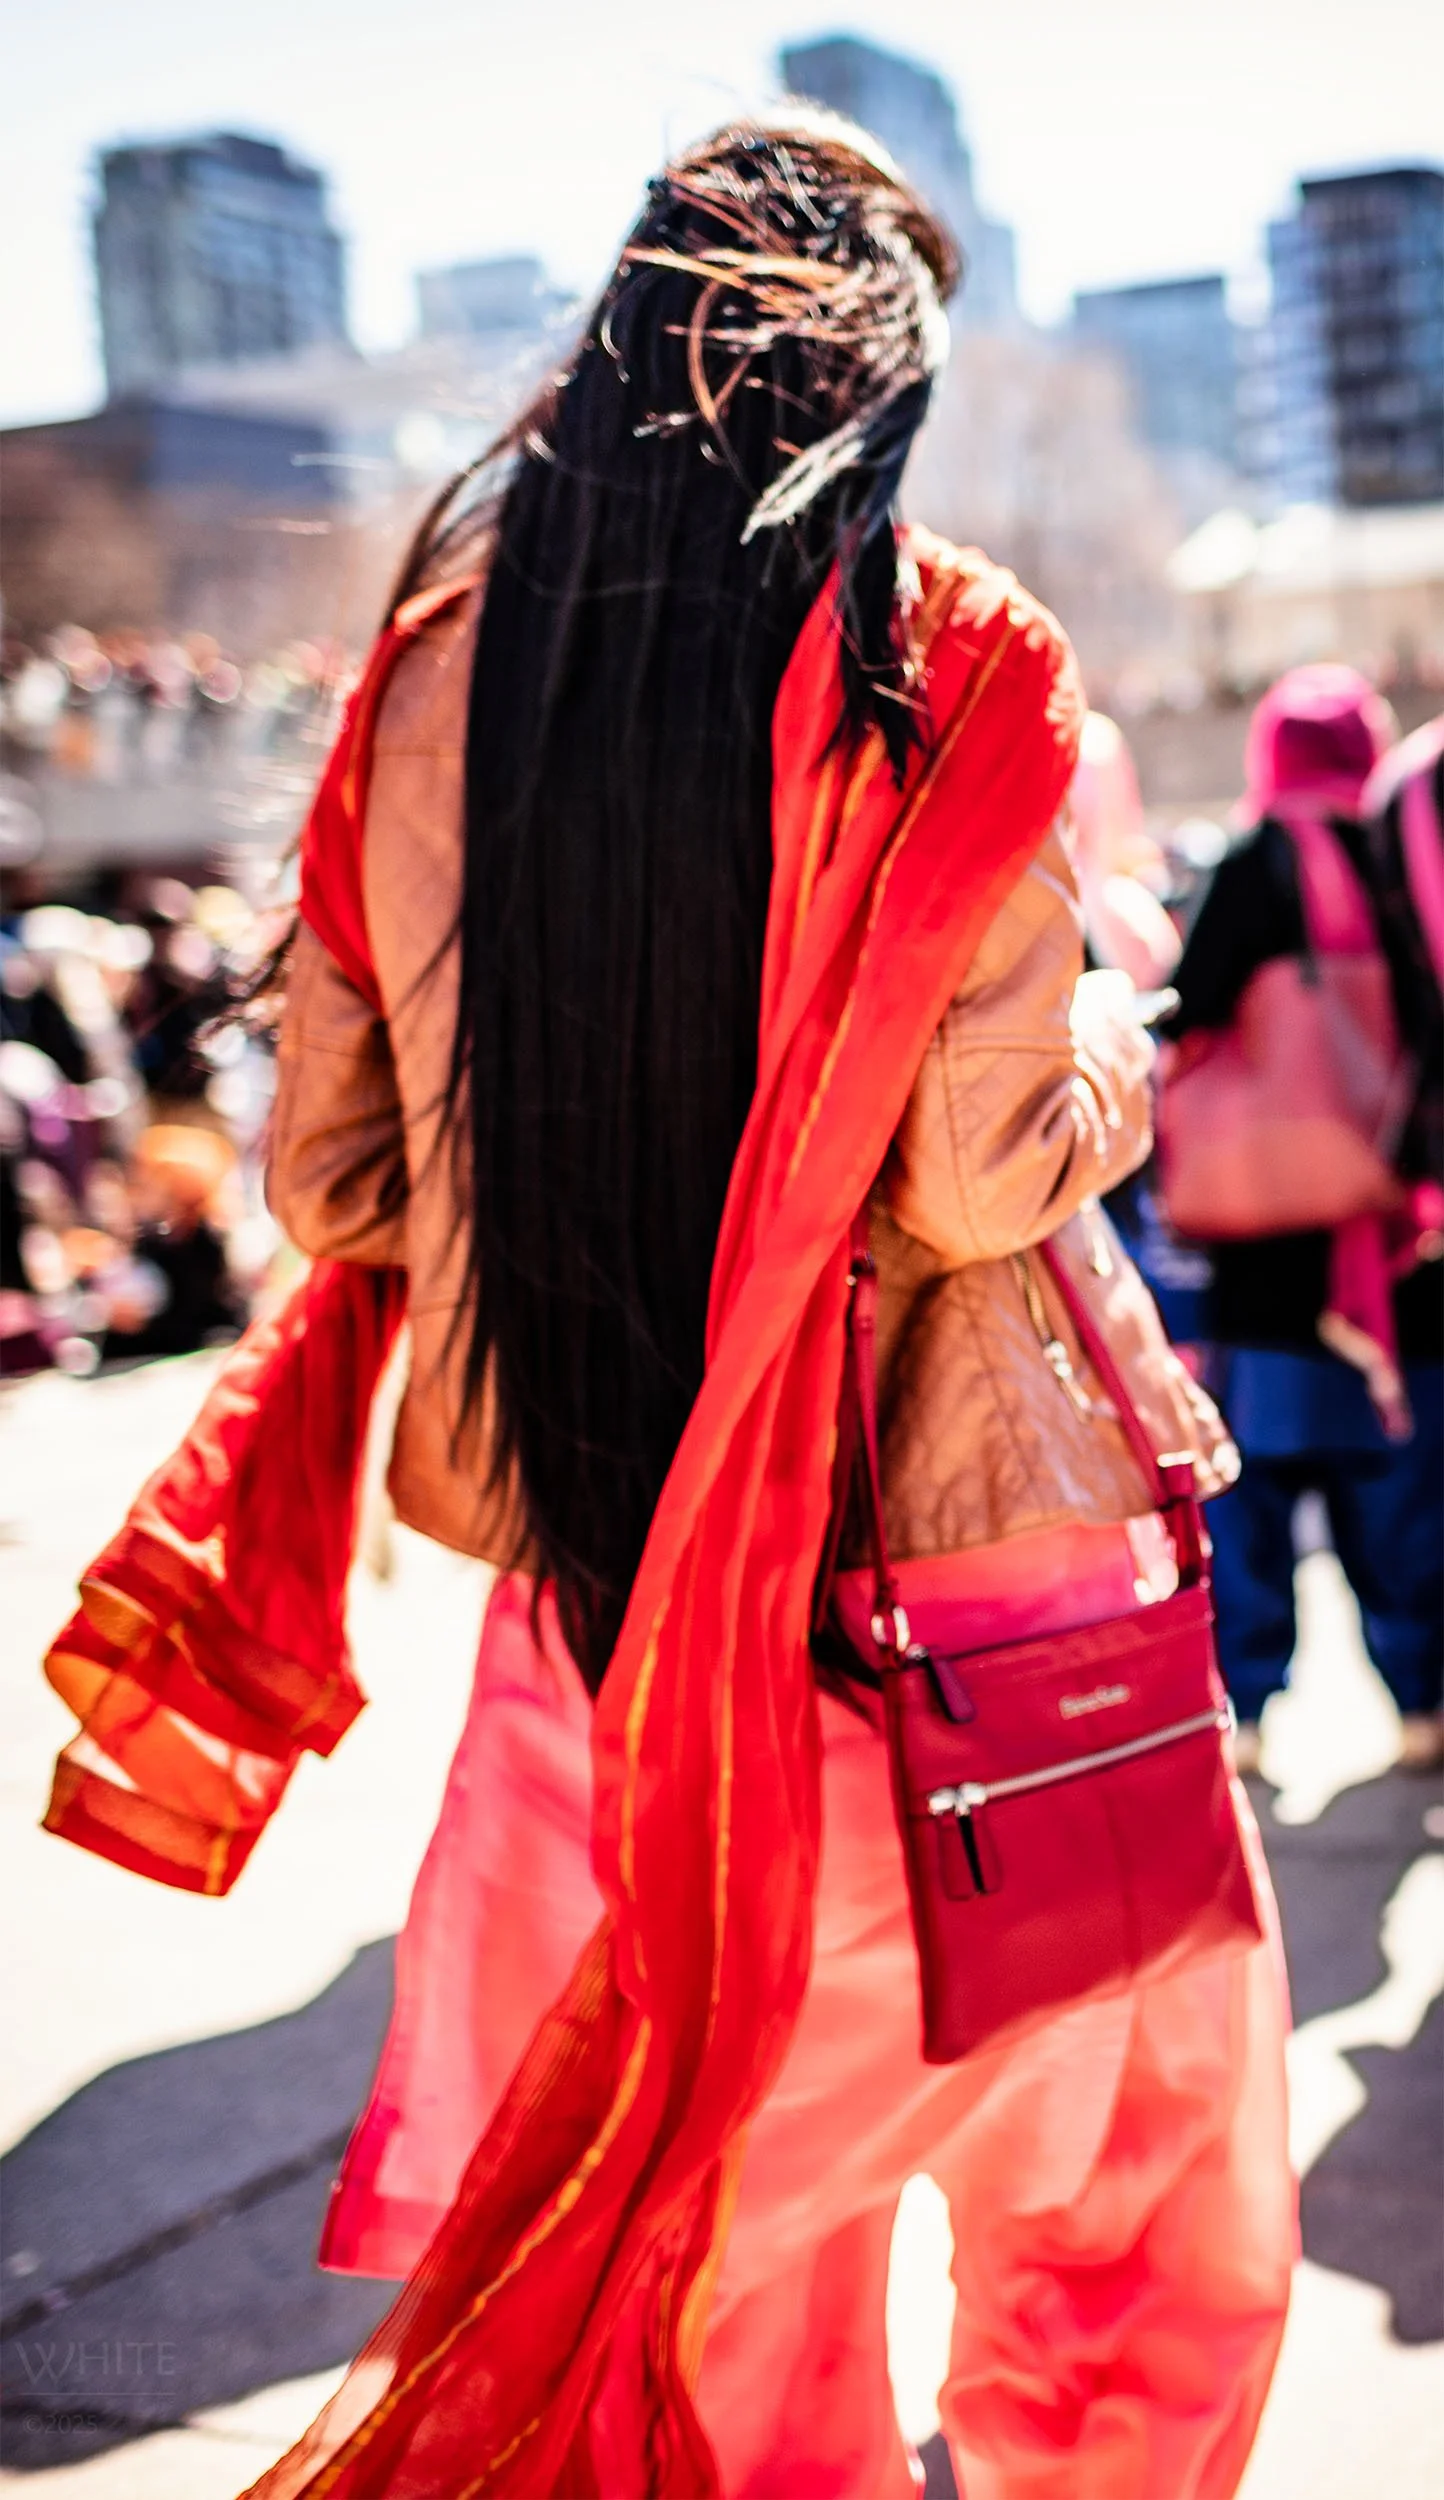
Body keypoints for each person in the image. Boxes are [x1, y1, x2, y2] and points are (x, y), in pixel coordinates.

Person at [41, 117, 1292, 2499]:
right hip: (961, 1611)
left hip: (601, 1643)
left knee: (713, 2298)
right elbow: (960, 1169)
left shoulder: (422, 682)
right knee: (1129, 2241)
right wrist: (1108, 1050)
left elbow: (326, 1176)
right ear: (875, 394)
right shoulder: (951, 656)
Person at [1165, 669, 1443, 1773]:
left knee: (1257, 1492)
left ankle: (1247, 1706)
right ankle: (1423, 1702)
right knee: (1405, 1485)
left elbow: (1189, 1009)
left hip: (1267, 1241)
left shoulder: (1252, 862)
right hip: (1400, 1229)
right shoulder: (1402, 855)